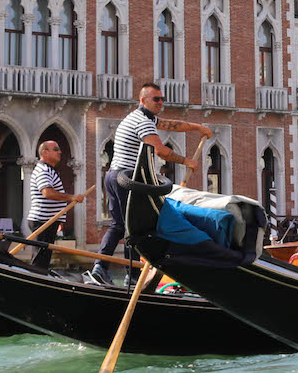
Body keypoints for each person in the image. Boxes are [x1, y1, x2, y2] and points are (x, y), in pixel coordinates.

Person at [90, 82, 211, 287]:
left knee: (120, 225)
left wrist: (196, 127)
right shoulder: (143, 122)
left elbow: (169, 124)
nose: (161, 102)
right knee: (134, 228)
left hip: (114, 176)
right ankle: (130, 273)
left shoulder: (141, 117)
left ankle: (102, 269)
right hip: (126, 180)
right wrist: (186, 161)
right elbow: (159, 150)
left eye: (162, 99)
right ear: (143, 100)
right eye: (156, 99)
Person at [24, 140, 87, 270]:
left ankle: (39, 279)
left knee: (44, 258)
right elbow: (47, 193)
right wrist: (72, 197)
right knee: (40, 259)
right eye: (56, 149)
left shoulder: (50, 170)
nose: (60, 152)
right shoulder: (43, 170)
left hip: (49, 220)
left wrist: (60, 218)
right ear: (45, 152)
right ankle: (36, 281)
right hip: (42, 221)